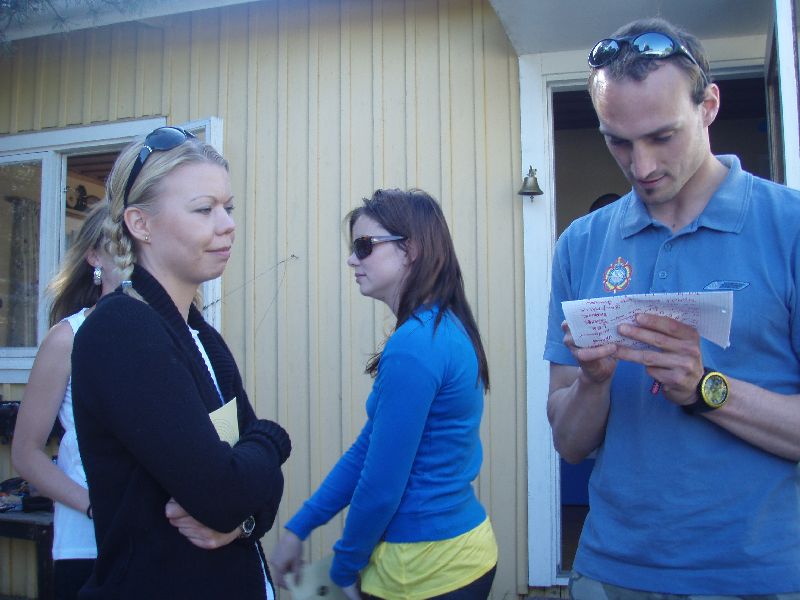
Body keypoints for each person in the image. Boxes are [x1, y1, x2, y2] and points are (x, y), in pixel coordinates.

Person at [544, 17, 800, 598]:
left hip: (758, 576)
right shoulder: (580, 244)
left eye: (662, 137)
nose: (641, 167)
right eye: (617, 141)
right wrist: (593, 383)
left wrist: (706, 388)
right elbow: (569, 444)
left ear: (708, 106)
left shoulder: (788, 228)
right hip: (610, 570)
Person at [70, 126, 291, 599]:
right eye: (204, 209)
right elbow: (224, 492)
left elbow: (248, 498)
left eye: (228, 207)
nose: (227, 224)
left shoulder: (199, 333)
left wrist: (244, 521)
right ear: (140, 224)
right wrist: (274, 439)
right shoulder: (121, 332)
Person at [269, 188, 498, 599]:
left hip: (423, 569)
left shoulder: (416, 344)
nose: (351, 259)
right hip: (457, 554)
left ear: (411, 249)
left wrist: (344, 567)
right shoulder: (440, 327)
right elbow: (368, 450)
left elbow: (381, 485)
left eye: (364, 246)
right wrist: (300, 526)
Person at [11, 203, 119, 600]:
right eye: (119, 245)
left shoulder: (179, 335)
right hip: (89, 546)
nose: (133, 257)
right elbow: (25, 453)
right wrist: (95, 506)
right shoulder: (68, 338)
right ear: (94, 256)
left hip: (164, 542)